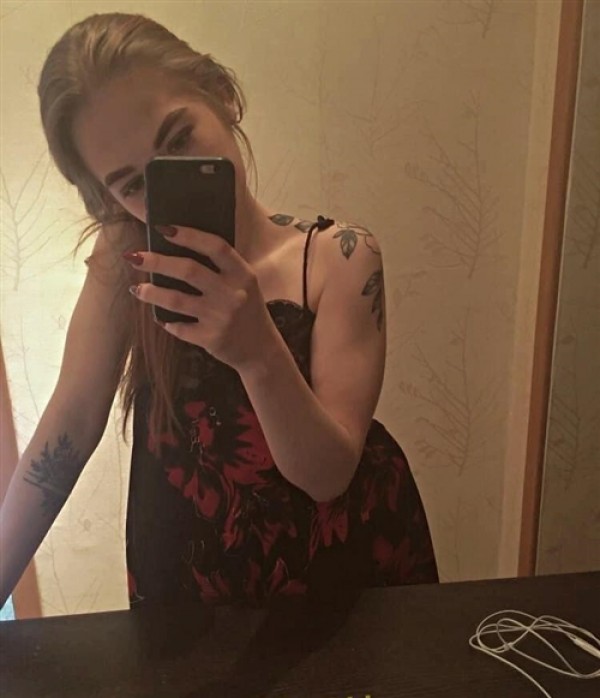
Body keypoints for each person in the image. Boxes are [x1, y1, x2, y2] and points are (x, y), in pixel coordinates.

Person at [0, 12, 438, 611]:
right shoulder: (124, 260)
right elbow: (69, 426)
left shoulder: (340, 258)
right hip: (189, 575)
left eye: (178, 140)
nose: (162, 190)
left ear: (222, 95)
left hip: (336, 571)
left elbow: (328, 476)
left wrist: (258, 352)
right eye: (131, 185)